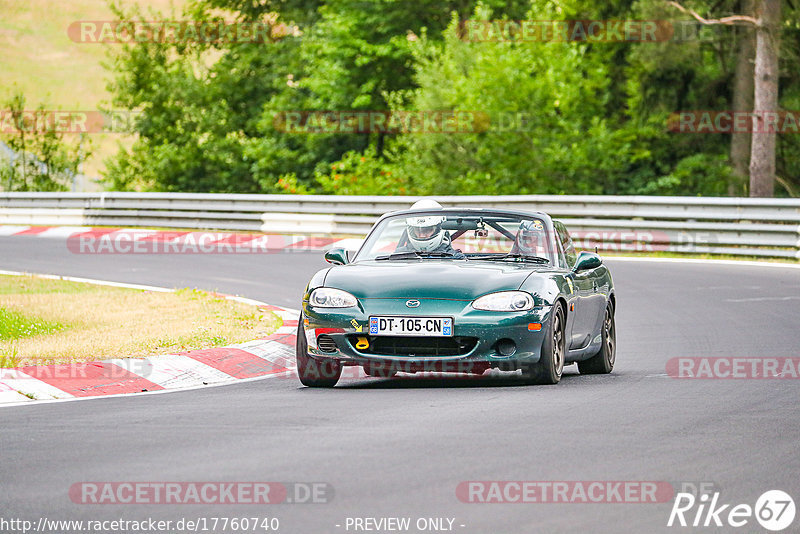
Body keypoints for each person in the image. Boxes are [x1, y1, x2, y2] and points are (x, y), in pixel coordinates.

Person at [397, 199, 465, 259]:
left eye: (427, 230)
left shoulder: (454, 258)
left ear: (439, 228)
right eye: (417, 230)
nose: (422, 235)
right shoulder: (397, 256)